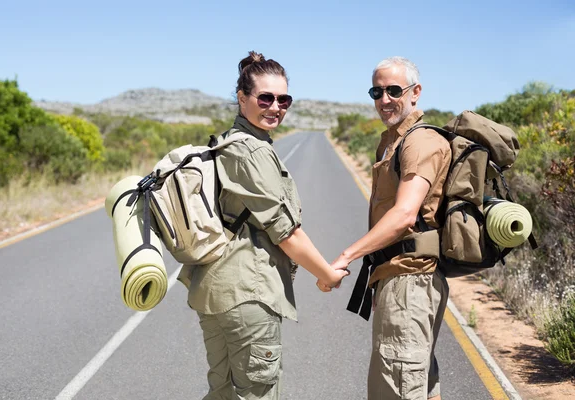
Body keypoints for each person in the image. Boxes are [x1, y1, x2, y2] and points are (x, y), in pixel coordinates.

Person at [177, 50, 349, 400]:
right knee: (258, 393)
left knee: (222, 392)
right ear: (242, 98)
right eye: (265, 97)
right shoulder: (252, 152)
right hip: (248, 293)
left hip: (214, 291)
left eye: (284, 99)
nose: (276, 107)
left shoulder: (228, 143)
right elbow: (286, 233)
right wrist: (327, 274)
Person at [319, 56, 451, 400]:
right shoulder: (394, 140)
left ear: (415, 93)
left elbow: (405, 214)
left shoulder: (420, 142)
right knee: (418, 382)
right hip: (398, 278)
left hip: (410, 282)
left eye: (394, 90)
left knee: (398, 388)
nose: (384, 99)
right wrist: (380, 277)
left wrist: (347, 255)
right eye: (376, 91)